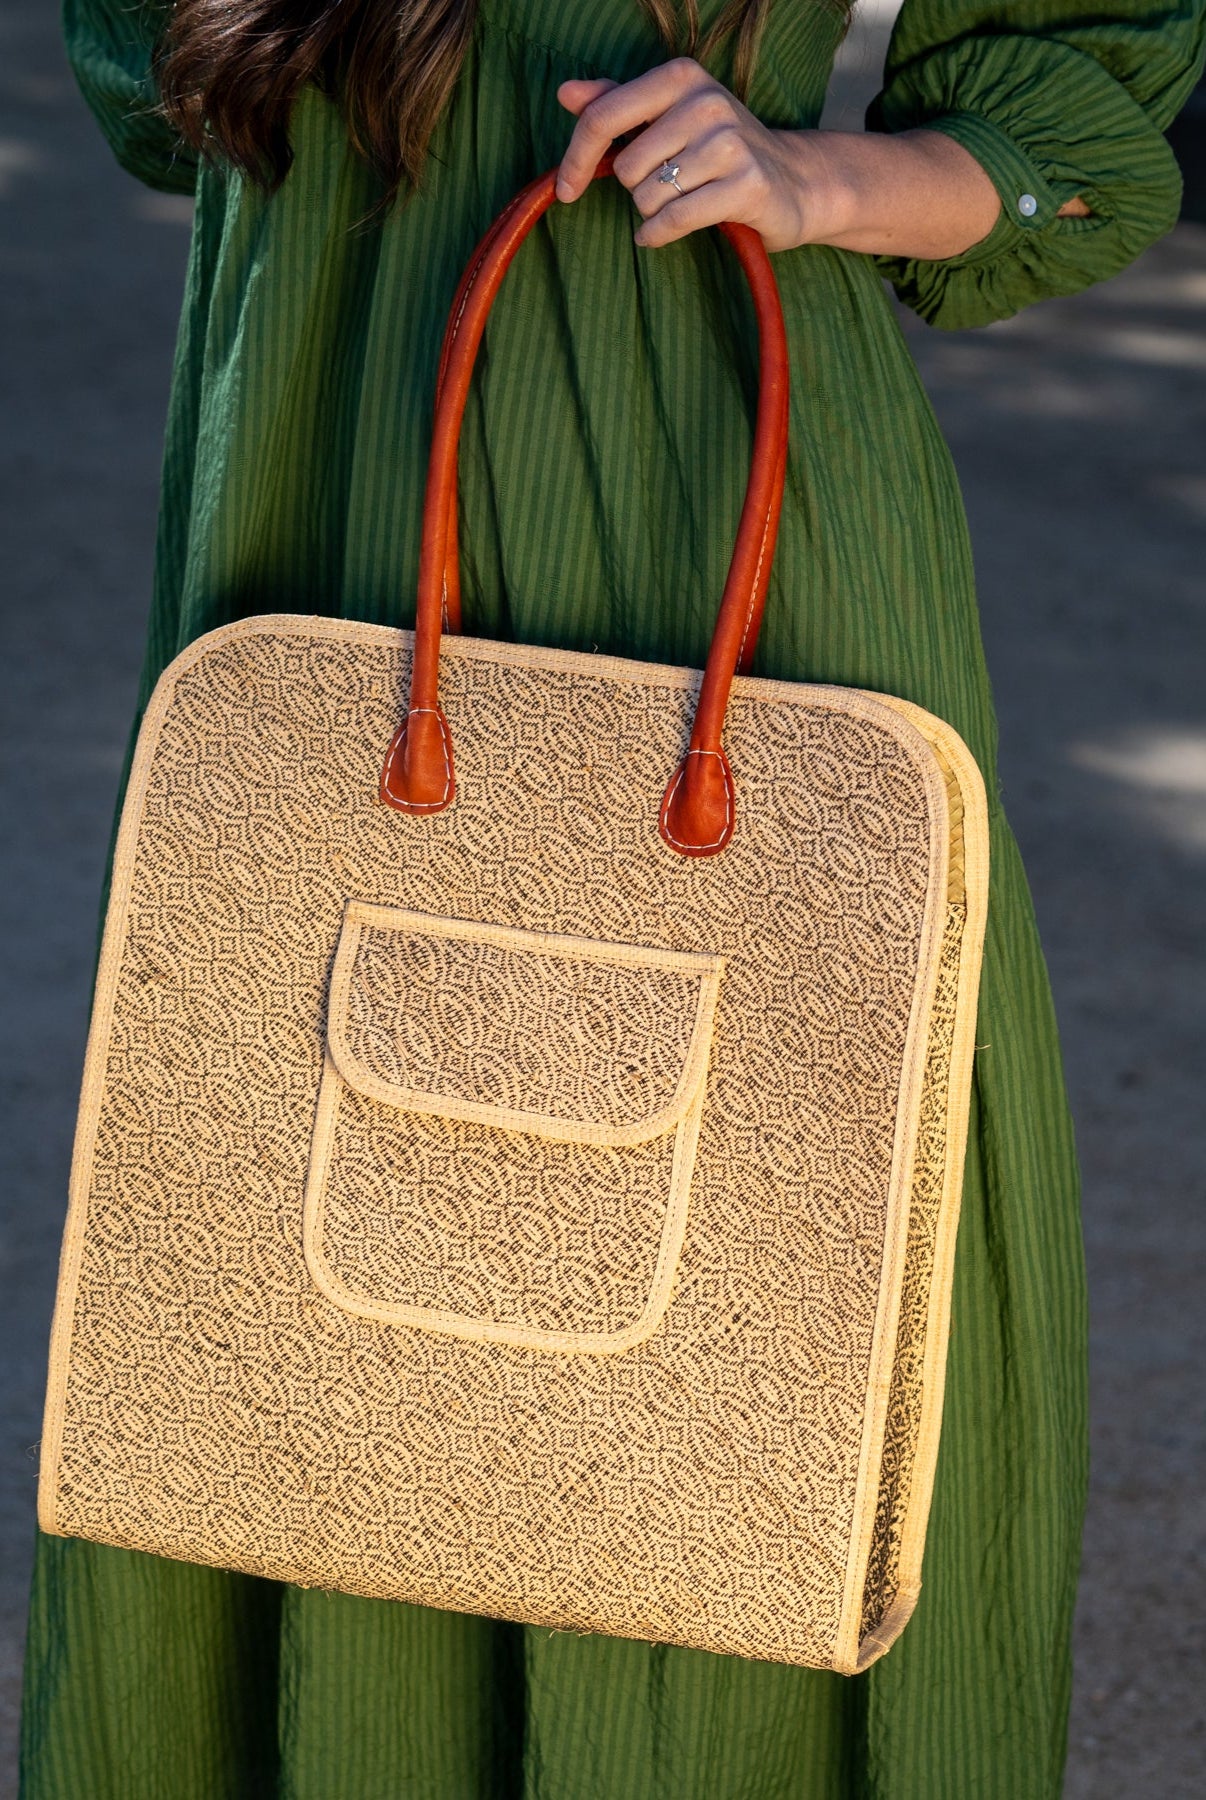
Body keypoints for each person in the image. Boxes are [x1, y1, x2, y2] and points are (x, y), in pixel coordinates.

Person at [22, 1, 1206, 1795]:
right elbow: (154, 77)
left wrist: (814, 171)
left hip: (708, 492)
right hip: (326, 480)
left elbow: (1076, 90)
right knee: (287, 1252)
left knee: (790, 1250)